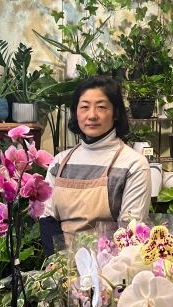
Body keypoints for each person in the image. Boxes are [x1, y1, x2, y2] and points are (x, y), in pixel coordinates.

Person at [40, 76, 151, 254]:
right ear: (76, 112)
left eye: (101, 107)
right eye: (84, 107)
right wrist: (60, 265)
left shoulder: (133, 164)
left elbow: (130, 231)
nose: (92, 115)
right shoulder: (60, 162)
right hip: (61, 265)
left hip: (110, 268)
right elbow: (47, 218)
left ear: (115, 113)